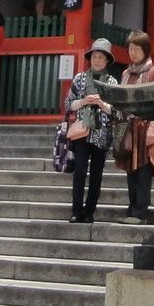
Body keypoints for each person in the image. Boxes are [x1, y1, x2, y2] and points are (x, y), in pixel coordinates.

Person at [63, 37, 119, 223]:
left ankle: (89, 212)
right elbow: (68, 104)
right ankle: (76, 210)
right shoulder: (79, 79)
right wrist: (84, 101)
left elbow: (117, 110)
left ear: (107, 61)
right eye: (95, 56)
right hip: (82, 132)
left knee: (96, 174)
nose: (97, 60)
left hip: (102, 133)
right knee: (79, 172)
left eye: (101, 57)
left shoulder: (112, 82)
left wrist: (101, 104)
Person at [112, 30, 154, 223]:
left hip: (145, 125)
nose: (133, 53)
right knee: (130, 169)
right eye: (131, 49)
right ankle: (132, 207)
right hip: (128, 126)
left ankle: (140, 210)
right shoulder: (126, 73)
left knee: (143, 169)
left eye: (137, 49)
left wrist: (152, 128)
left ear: (146, 50)